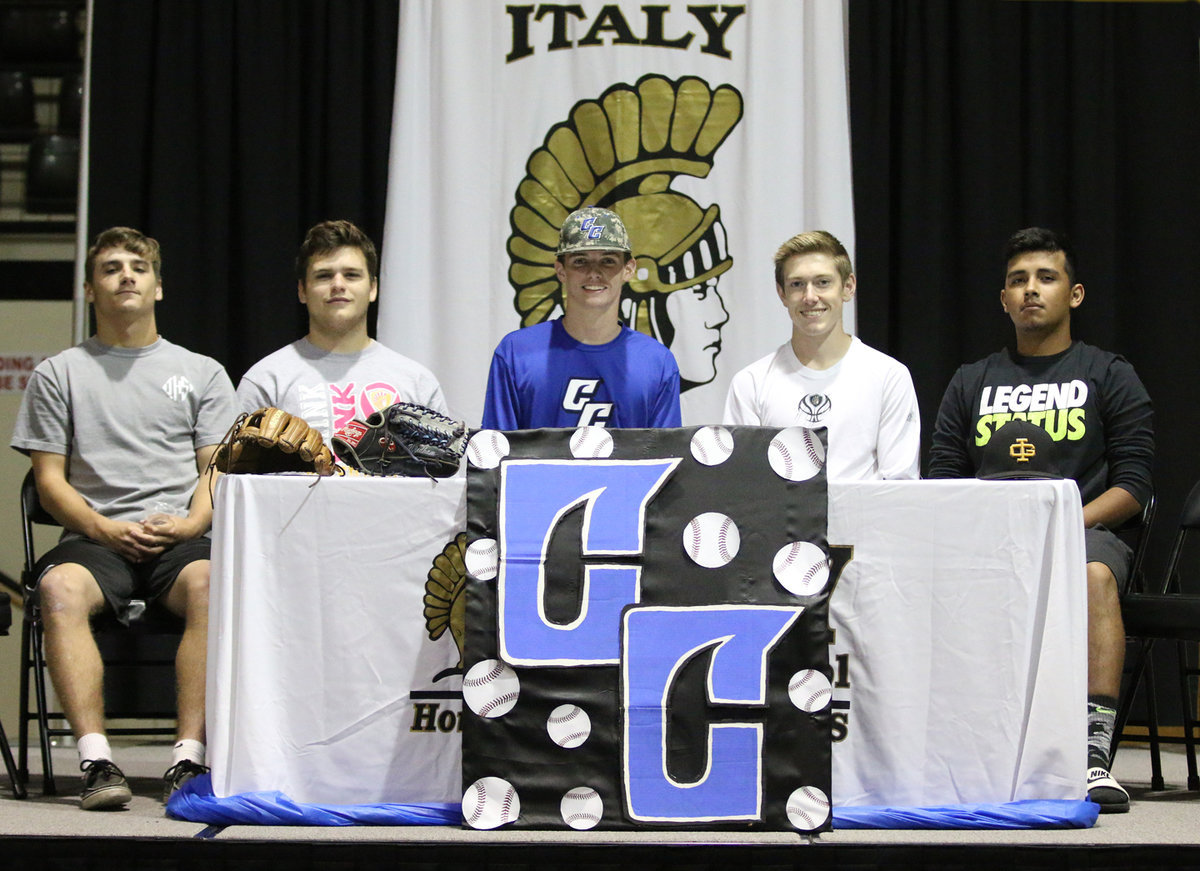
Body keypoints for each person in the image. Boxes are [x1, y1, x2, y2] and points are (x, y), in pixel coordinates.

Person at [10, 227, 238, 810]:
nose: (126, 276)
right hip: (94, 538)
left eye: (138, 267)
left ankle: (188, 758)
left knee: (215, 581)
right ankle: (96, 762)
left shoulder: (203, 372)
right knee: (56, 586)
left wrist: (191, 525)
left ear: (159, 287)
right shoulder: (59, 372)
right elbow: (49, 481)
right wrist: (103, 528)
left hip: (178, 538)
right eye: (110, 268)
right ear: (90, 290)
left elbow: (216, 469)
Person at [928, 227, 1154, 813]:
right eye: (1018, 281)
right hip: (984, 541)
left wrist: (1061, 526)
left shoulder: (1108, 374)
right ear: (1003, 299)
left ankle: (1093, 754)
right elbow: (943, 481)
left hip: (1082, 535)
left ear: (1074, 294)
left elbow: (1134, 485)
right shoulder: (969, 381)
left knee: (1094, 577)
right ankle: (956, 749)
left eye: (1046, 278)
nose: (1031, 290)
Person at [723, 230, 920, 480]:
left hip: (864, 520)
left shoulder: (889, 376)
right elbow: (742, 484)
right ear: (782, 293)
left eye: (823, 282)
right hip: (783, 521)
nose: (810, 297)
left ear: (848, 287)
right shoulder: (750, 382)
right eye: (797, 284)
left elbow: (898, 484)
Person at [236, 220, 448, 440]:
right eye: (324, 275)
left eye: (351, 275)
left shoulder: (417, 383)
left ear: (373, 288)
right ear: (302, 290)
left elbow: (442, 471)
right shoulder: (266, 381)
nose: (338, 284)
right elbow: (233, 471)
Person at [482, 206, 682, 429]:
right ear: (561, 270)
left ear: (629, 269)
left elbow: (667, 461)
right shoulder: (516, 354)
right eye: (580, 261)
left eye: (608, 260)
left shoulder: (657, 363)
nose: (594, 272)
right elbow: (495, 457)